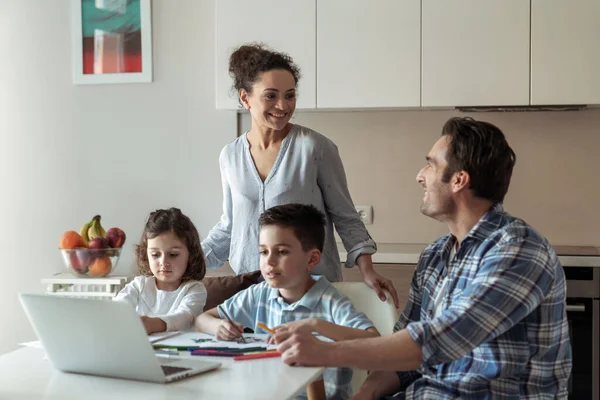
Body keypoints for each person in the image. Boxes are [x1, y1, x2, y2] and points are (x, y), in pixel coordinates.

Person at [275, 117, 572, 399]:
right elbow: (402, 357)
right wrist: (365, 394)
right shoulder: (434, 256)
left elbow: (443, 339)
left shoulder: (518, 249)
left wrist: (325, 352)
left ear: (458, 180)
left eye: (430, 164)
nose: (420, 176)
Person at [201, 43, 400, 308]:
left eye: (290, 95)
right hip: (251, 291)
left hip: (311, 289)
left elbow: (346, 216)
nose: (282, 105)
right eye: (270, 96)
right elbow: (229, 226)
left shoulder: (315, 148)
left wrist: (367, 270)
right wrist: (184, 262)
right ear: (245, 98)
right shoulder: (230, 156)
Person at [195, 203, 379, 400]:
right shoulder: (259, 294)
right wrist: (219, 326)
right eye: (264, 252)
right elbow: (202, 319)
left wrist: (316, 325)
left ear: (312, 259)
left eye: (281, 252)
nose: (269, 261)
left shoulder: (331, 302)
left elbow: (375, 342)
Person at [114, 208, 207, 334]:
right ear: (146, 254)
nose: (163, 262)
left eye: (173, 254)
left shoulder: (194, 289)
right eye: (155, 254)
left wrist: (152, 324)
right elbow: (118, 306)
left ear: (190, 255)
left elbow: (185, 316)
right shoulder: (139, 285)